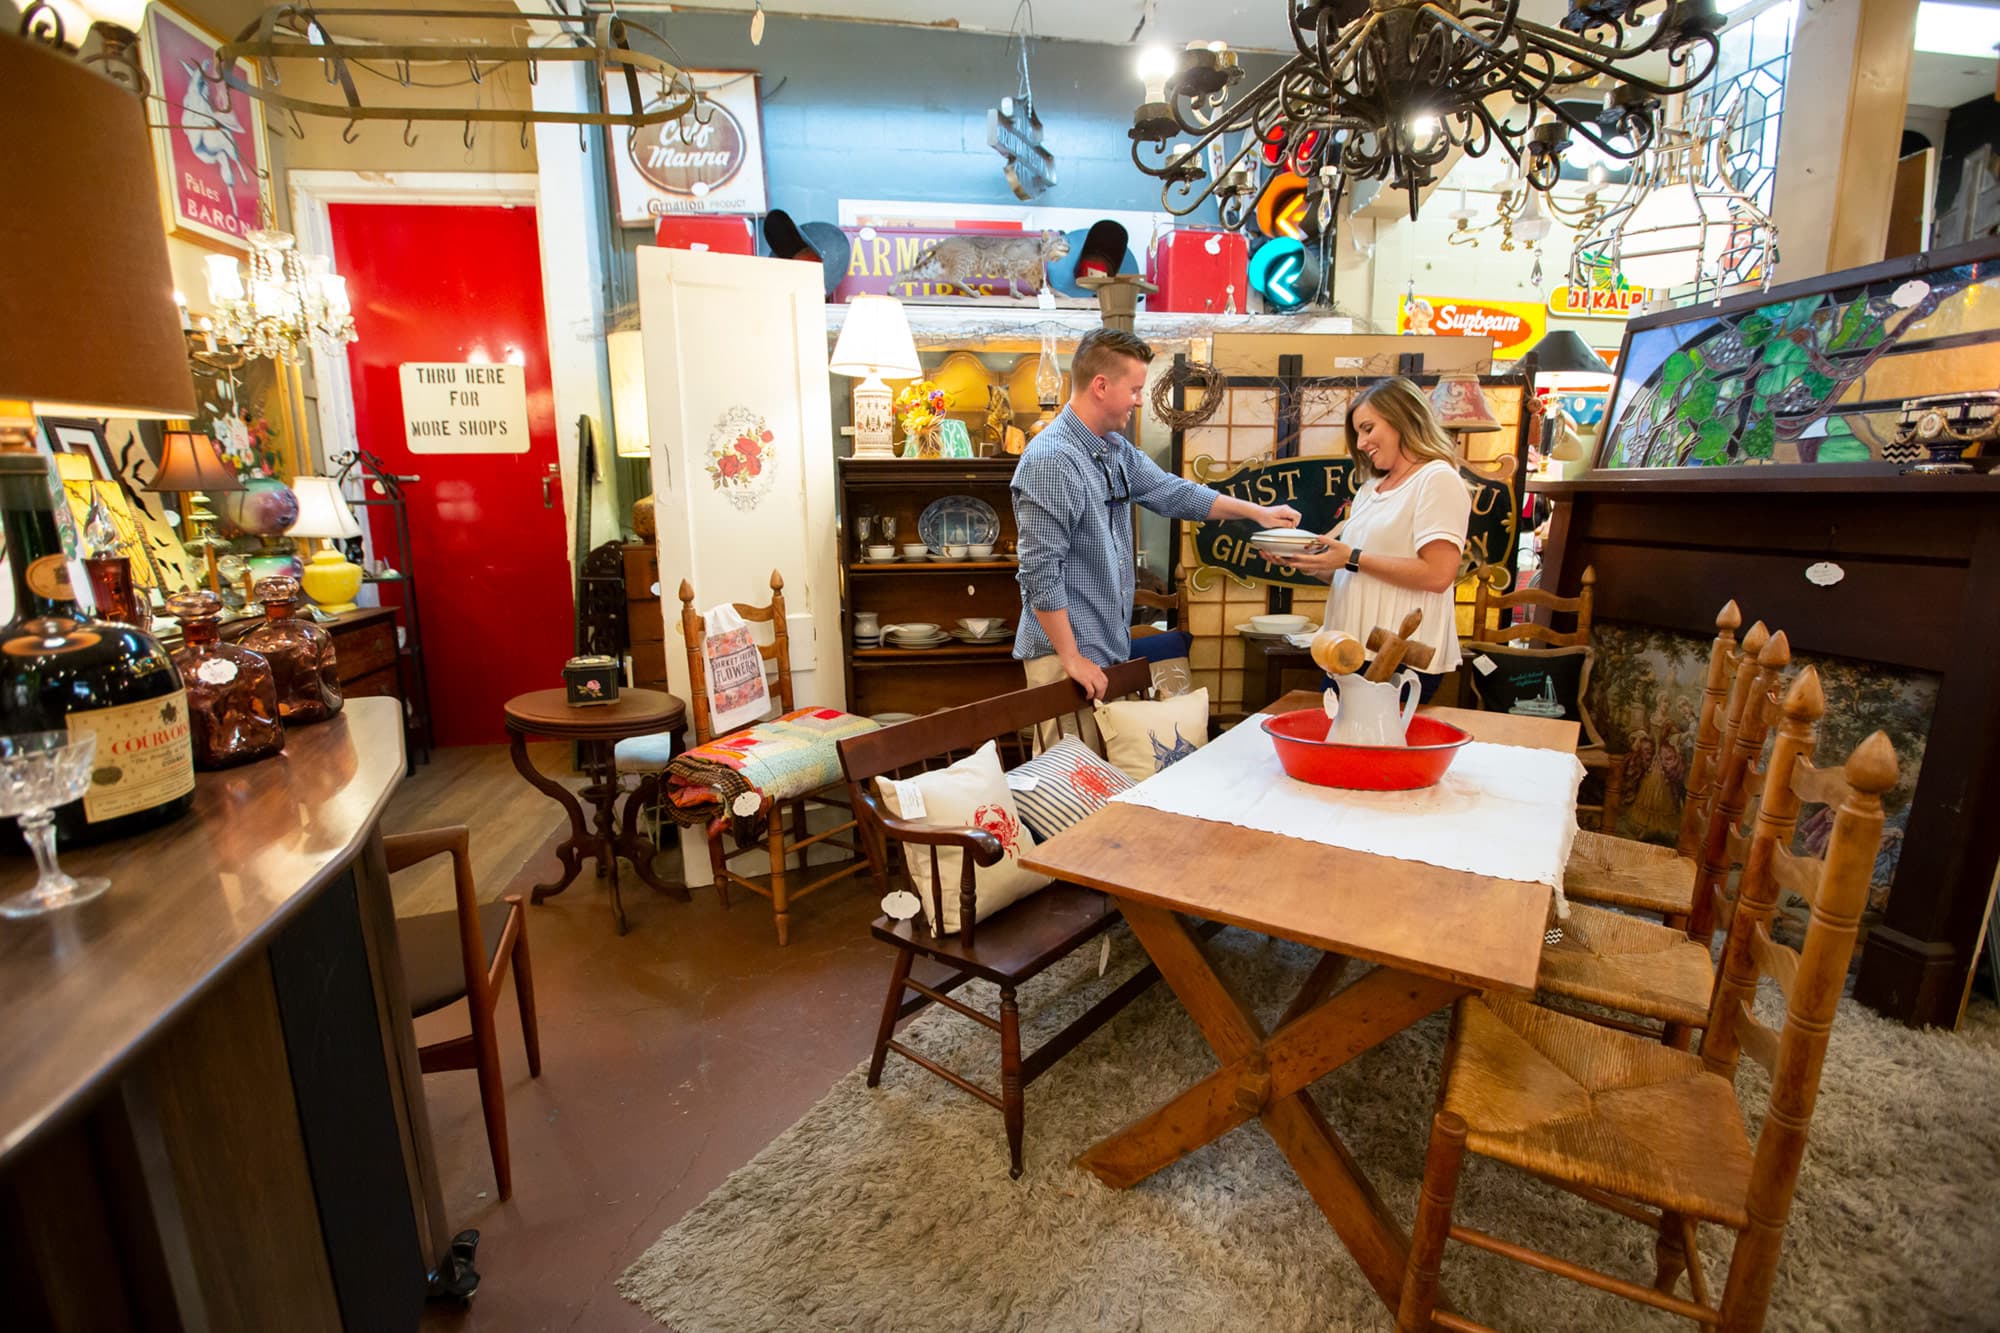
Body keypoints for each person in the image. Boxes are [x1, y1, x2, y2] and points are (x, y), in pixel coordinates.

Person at [1013, 329, 1300, 721]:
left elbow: (1171, 492)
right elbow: (1039, 571)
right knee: (1070, 781)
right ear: (1100, 386)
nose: (1139, 399)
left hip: (1105, 652)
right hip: (1066, 660)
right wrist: (1071, 657)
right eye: (1133, 388)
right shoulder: (1051, 460)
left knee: (1111, 777)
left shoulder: (1114, 449)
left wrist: (1256, 513)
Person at [1264, 376, 1472, 702]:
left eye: (1368, 428)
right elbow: (1354, 572)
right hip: (1346, 652)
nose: (1360, 444)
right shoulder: (1369, 490)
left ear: (1403, 419)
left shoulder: (1437, 479)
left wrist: (1351, 557)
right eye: (1358, 433)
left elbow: (1438, 575)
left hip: (1394, 656)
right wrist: (1307, 562)